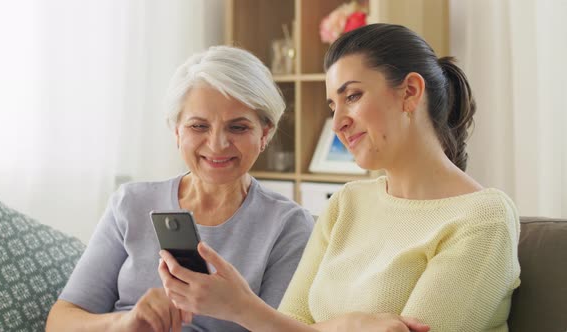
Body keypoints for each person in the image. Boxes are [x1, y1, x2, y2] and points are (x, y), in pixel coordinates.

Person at [158, 23, 521, 332]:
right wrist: (351, 325)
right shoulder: (348, 202)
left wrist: (245, 310)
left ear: (410, 92)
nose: (338, 122)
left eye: (353, 96)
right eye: (334, 105)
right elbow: (290, 322)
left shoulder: (482, 219)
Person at [46, 45, 315, 332]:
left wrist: (238, 307)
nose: (217, 145)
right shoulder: (131, 203)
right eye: (199, 126)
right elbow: (61, 321)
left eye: (238, 128)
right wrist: (124, 323)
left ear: (265, 133)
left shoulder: (288, 225)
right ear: (177, 131)